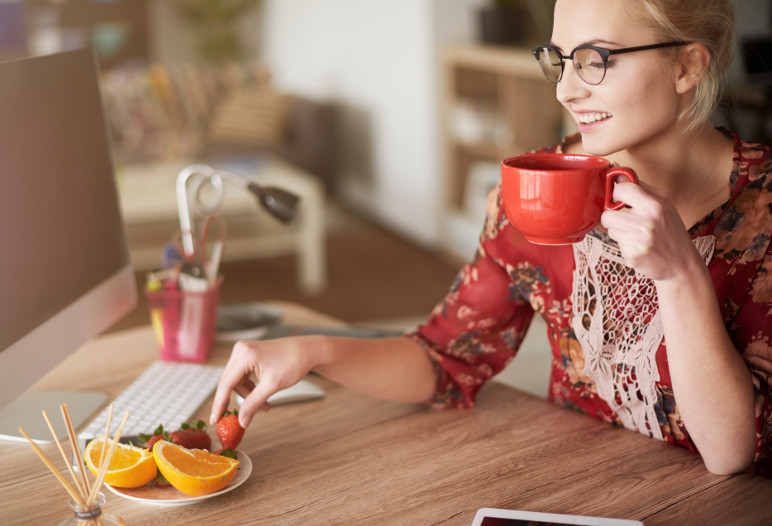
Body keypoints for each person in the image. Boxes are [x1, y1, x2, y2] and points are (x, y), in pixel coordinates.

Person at [211, 0, 772, 477]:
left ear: (686, 68)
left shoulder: (763, 210)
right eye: (561, 61)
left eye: (596, 60)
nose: (566, 92)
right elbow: (448, 358)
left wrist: (679, 275)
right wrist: (313, 349)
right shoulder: (538, 193)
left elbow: (731, 454)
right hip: (574, 490)